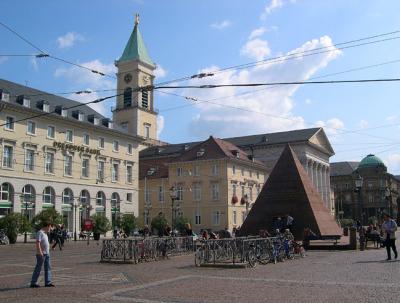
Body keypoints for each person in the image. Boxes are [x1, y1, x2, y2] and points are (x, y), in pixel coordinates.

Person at [30, 221, 55, 288]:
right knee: (38, 268)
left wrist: (50, 248)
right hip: (41, 254)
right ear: (47, 226)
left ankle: (48, 282)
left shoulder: (45, 233)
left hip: (47, 253)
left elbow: (45, 243)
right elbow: (37, 243)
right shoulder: (40, 233)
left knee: (48, 268)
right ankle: (33, 282)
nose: (51, 228)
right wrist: (40, 252)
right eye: (50, 227)